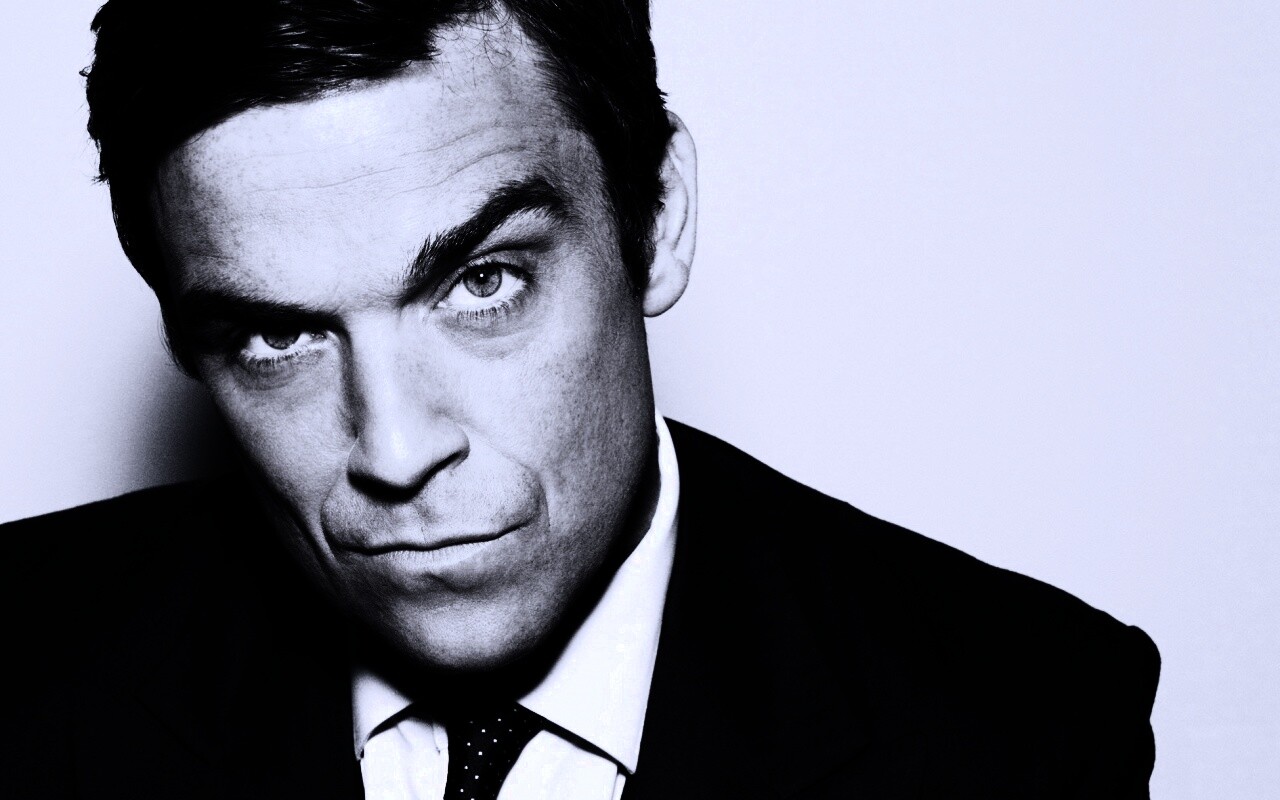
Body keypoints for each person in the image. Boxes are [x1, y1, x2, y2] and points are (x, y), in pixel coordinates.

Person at [1, 1, 1159, 798]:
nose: (395, 450)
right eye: (276, 335)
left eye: (482, 282)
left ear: (655, 218)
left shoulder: (1013, 725)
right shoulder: (17, 670)